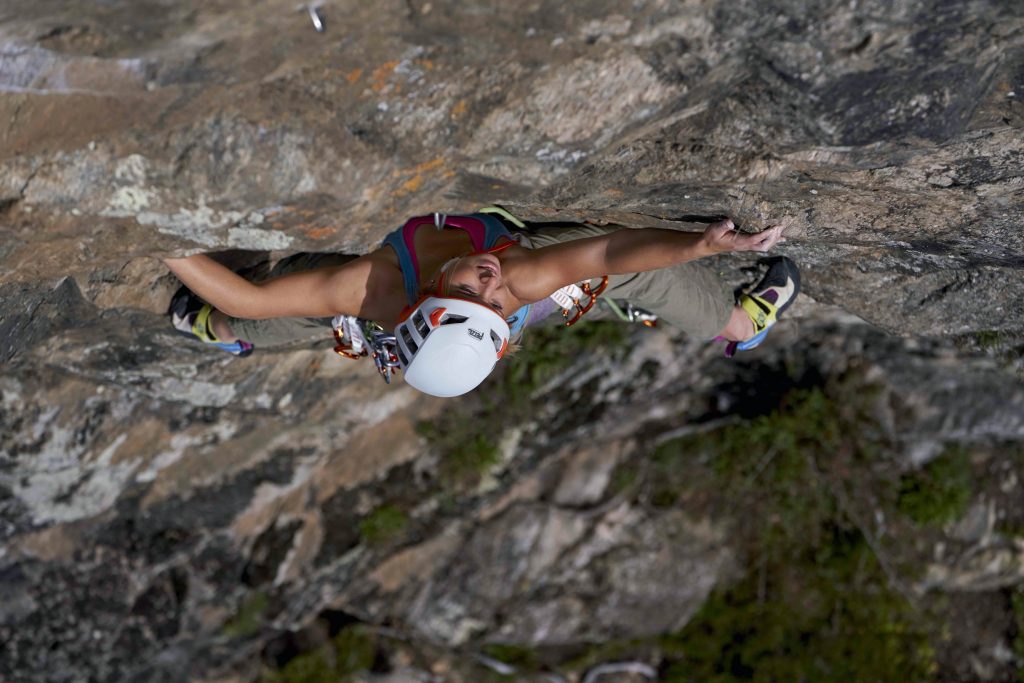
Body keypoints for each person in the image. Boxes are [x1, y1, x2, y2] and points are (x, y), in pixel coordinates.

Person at [164, 208, 799, 397]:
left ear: (429, 292)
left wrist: (155, 234)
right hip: (521, 314)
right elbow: (608, 255)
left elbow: (249, 297)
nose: (490, 278)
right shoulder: (516, 284)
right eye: (488, 296)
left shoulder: (376, 291)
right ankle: (744, 321)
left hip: (431, 322)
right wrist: (696, 246)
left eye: (472, 287)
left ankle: (218, 334)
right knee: (616, 279)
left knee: (303, 303)